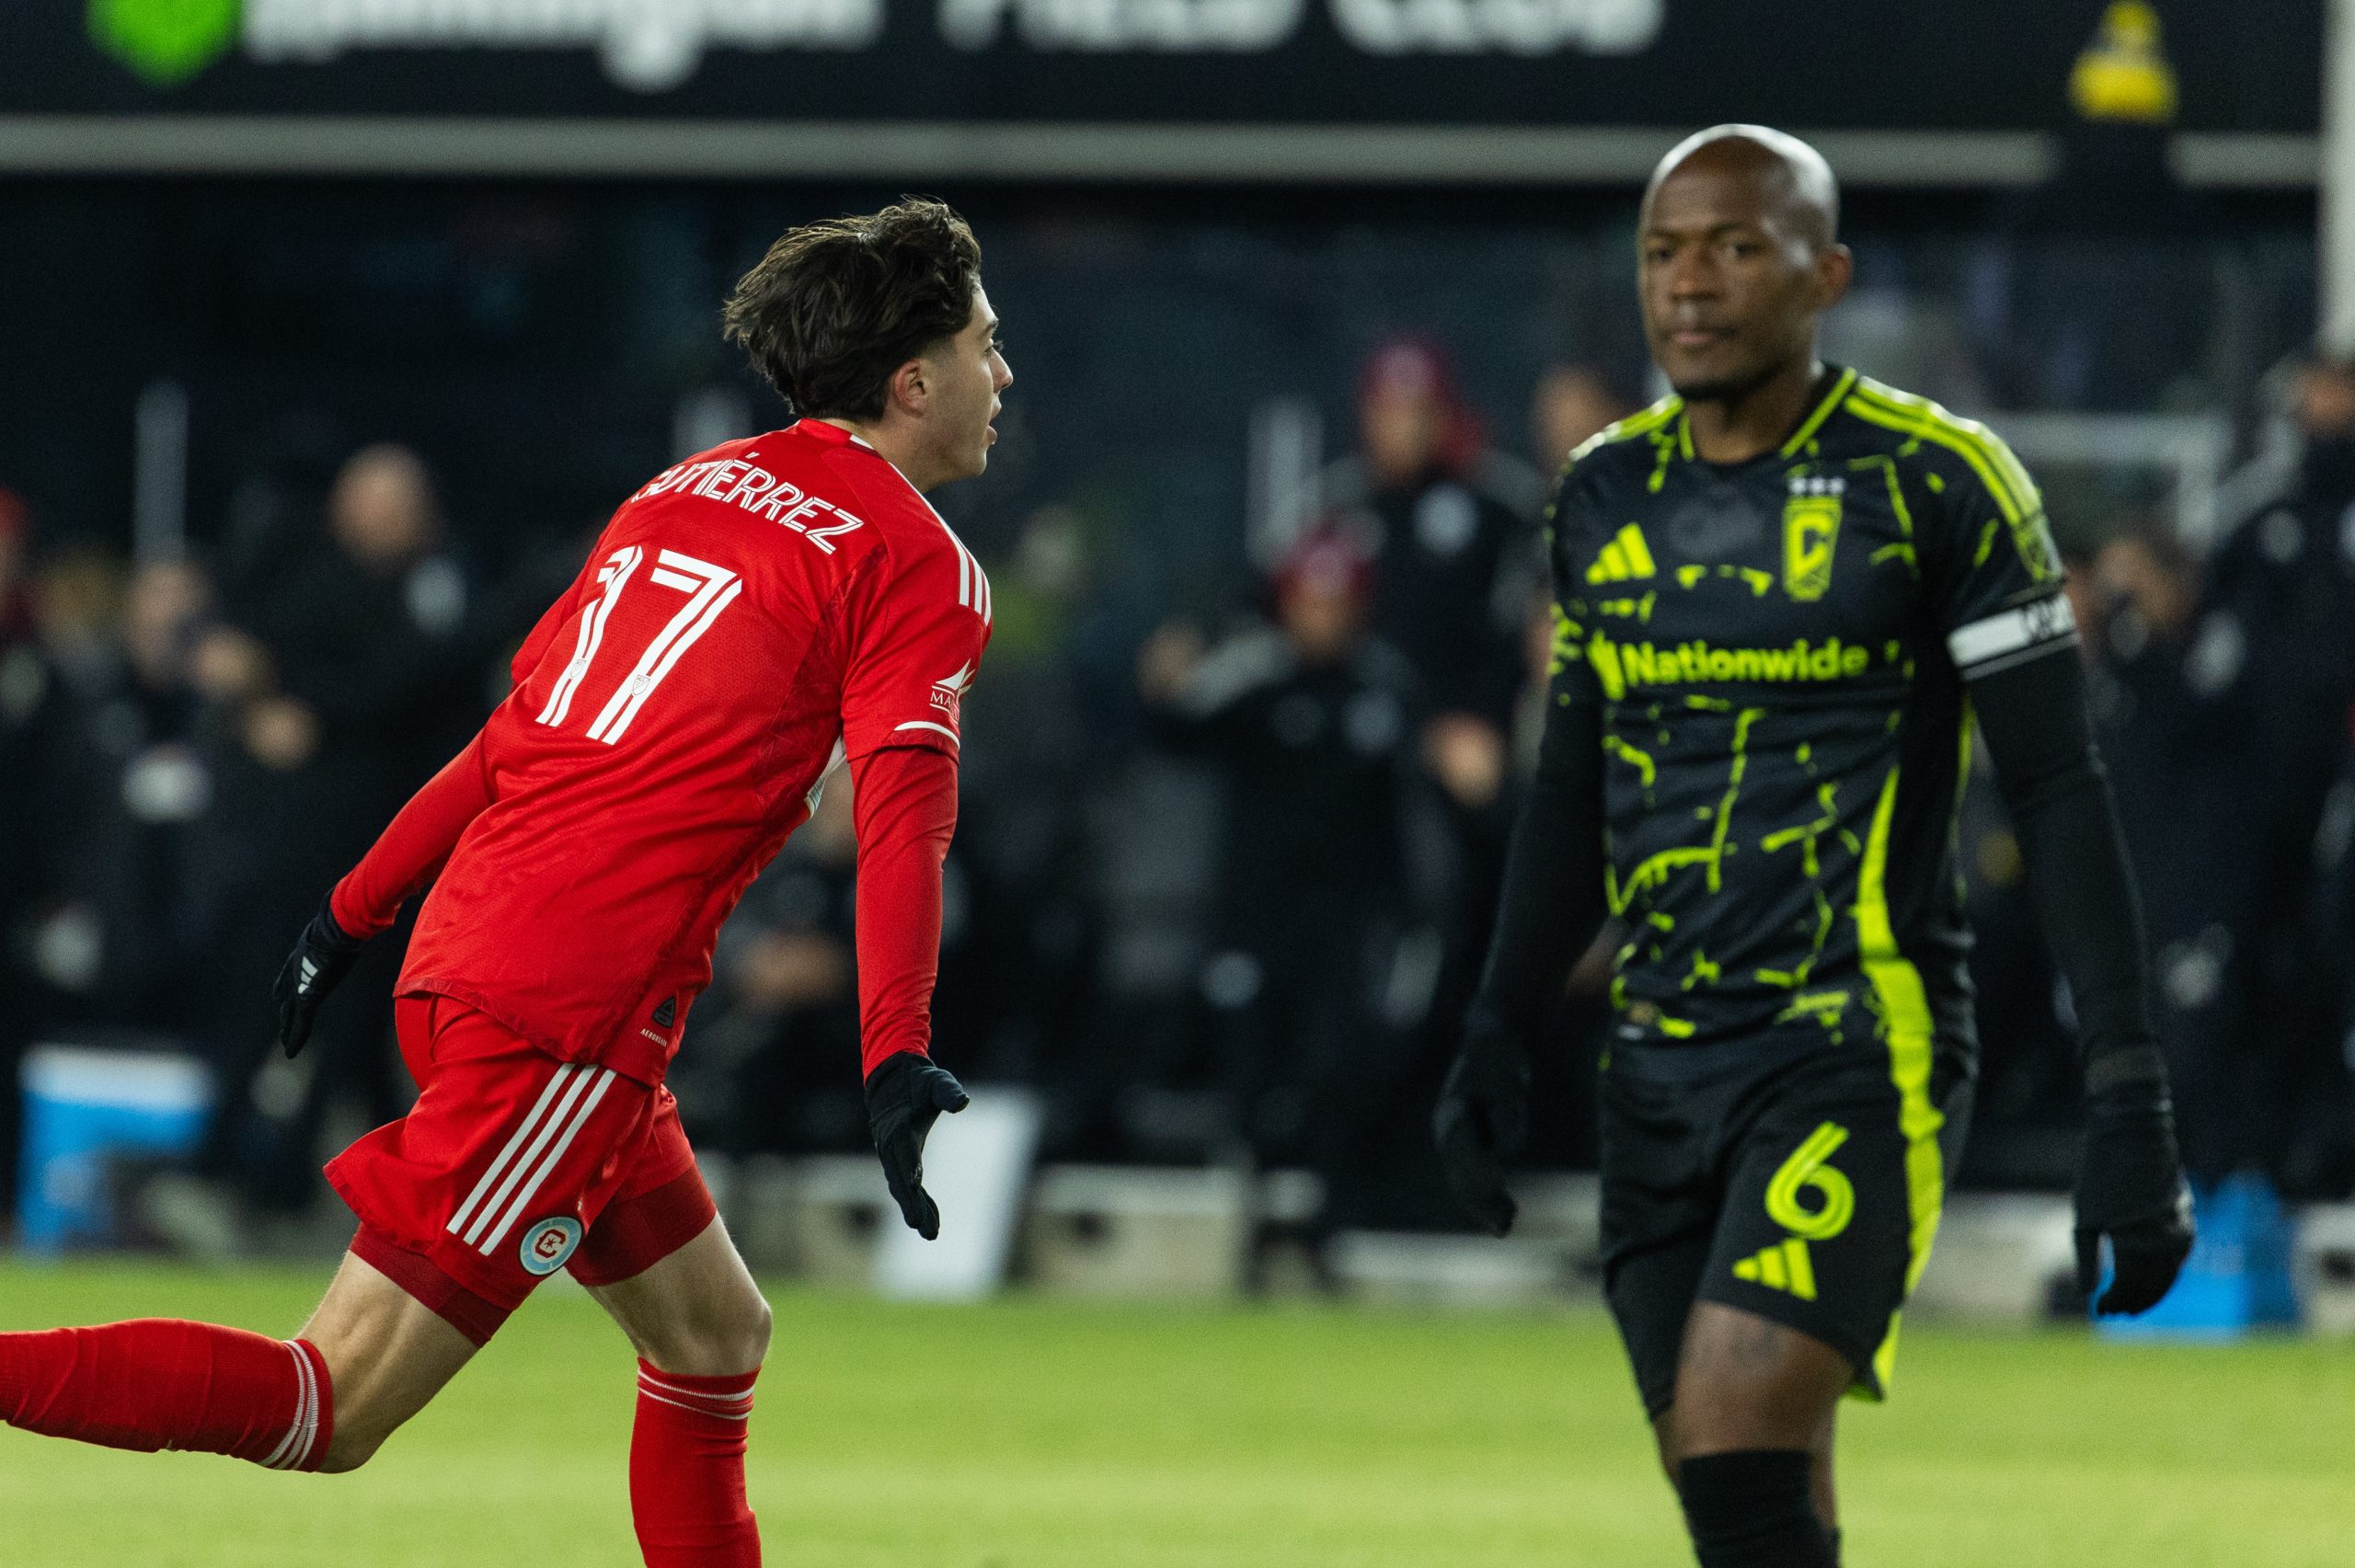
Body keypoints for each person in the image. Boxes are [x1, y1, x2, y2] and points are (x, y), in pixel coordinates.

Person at [0, 197, 1011, 1567]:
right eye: (985, 345)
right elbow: (901, 820)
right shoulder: (916, 562)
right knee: (332, 1400)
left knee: (717, 1337)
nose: (1002, 376)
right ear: (912, 381)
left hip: (471, 947)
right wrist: (895, 1048)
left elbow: (511, 736)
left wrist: (351, 910)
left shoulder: (687, 488)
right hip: (567, 1021)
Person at [1430, 126, 2192, 1568]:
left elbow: (2058, 787)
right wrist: (1496, 1030)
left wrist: (2130, 1096)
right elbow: (1571, 794)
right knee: (1753, 1500)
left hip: (1855, 1041)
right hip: (1655, 1062)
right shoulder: (1599, 494)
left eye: (1734, 246)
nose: (1691, 284)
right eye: (1664, 251)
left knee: (1730, 1425)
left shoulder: (1942, 483)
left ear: (1826, 274)